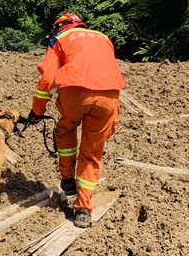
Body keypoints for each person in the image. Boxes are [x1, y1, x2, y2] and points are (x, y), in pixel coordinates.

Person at [26, 13, 125, 229]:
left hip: (75, 93)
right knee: (92, 153)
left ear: (58, 27)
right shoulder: (103, 37)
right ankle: (83, 209)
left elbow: (47, 79)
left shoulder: (60, 38)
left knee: (65, 129)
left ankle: (67, 178)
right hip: (109, 97)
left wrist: (37, 111)